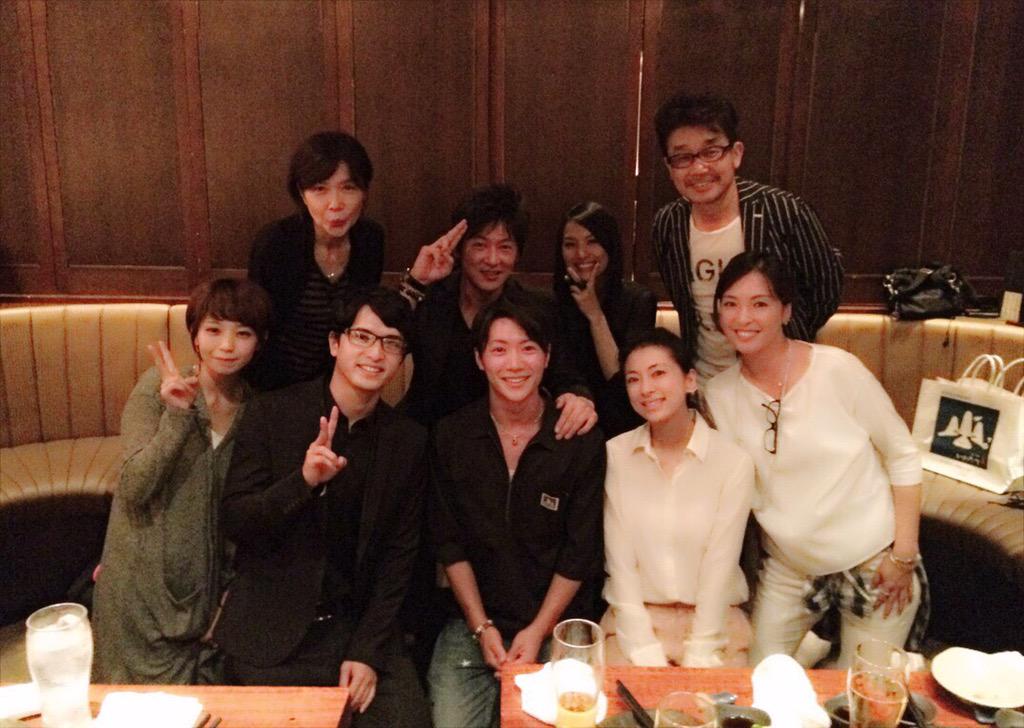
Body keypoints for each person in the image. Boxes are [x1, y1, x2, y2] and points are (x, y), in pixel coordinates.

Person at [213, 288, 430, 728]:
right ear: (335, 343)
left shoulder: (407, 441)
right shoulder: (271, 413)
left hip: (358, 629)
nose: (375, 354)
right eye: (362, 337)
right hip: (274, 629)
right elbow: (236, 521)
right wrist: (304, 481)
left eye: (391, 343)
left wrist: (366, 651)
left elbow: (400, 557)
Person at [705, 252, 925, 668]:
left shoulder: (837, 369)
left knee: (860, 691)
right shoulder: (717, 395)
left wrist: (903, 556)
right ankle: (813, 646)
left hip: (874, 561)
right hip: (791, 568)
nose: (743, 317)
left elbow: (903, 455)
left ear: (786, 311)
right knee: (755, 682)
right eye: (730, 304)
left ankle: (826, 651)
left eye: (760, 303)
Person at [428, 299, 606, 728]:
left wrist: (540, 629)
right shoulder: (452, 436)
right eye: (499, 349)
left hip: (558, 627)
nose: (514, 364)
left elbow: (580, 552)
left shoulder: (578, 438)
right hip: (471, 625)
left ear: (547, 356)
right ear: (479, 358)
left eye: (527, 348)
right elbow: (450, 545)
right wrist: (480, 626)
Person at [93, 278, 271, 684]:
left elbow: (242, 510)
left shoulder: (256, 412)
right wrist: (177, 415)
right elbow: (135, 488)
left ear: (260, 343)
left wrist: (227, 598)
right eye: (214, 330)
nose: (227, 346)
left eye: (243, 334)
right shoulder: (155, 389)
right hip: (139, 584)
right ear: (194, 334)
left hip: (202, 594)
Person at [651, 92, 844, 380]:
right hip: (706, 381)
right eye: (683, 157)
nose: (699, 168)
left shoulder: (783, 212)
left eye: (711, 152)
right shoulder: (668, 224)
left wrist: (790, 332)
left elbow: (826, 291)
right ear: (669, 167)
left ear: (736, 154)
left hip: (780, 381)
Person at [601, 327, 754, 667]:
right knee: (614, 701)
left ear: (689, 380)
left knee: (716, 702)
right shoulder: (616, 455)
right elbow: (621, 563)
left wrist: (701, 653)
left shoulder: (732, 462)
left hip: (715, 621)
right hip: (635, 619)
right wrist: (643, 649)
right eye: (633, 379)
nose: (646, 389)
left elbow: (720, 564)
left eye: (658, 373)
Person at [400, 183, 597, 437]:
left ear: (517, 254)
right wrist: (416, 283)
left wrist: (578, 399)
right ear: (460, 249)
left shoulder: (537, 308)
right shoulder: (432, 299)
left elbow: (568, 378)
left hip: (505, 443)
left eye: (505, 247)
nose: (493, 260)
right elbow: (382, 337)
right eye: (480, 245)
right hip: (427, 436)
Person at [247, 131, 383, 390]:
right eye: (320, 189)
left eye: (348, 188)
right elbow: (255, 325)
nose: (335, 204)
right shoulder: (276, 243)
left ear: (364, 192)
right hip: (273, 387)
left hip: (341, 387)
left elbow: (369, 320)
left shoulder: (370, 240)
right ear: (301, 194)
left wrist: (417, 280)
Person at [553, 202, 658, 438]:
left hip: (622, 418)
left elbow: (622, 380)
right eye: (570, 244)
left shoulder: (638, 300)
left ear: (609, 244)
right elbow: (559, 376)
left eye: (592, 242)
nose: (581, 254)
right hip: (568, 418)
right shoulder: (553, 303)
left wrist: (594, 315)